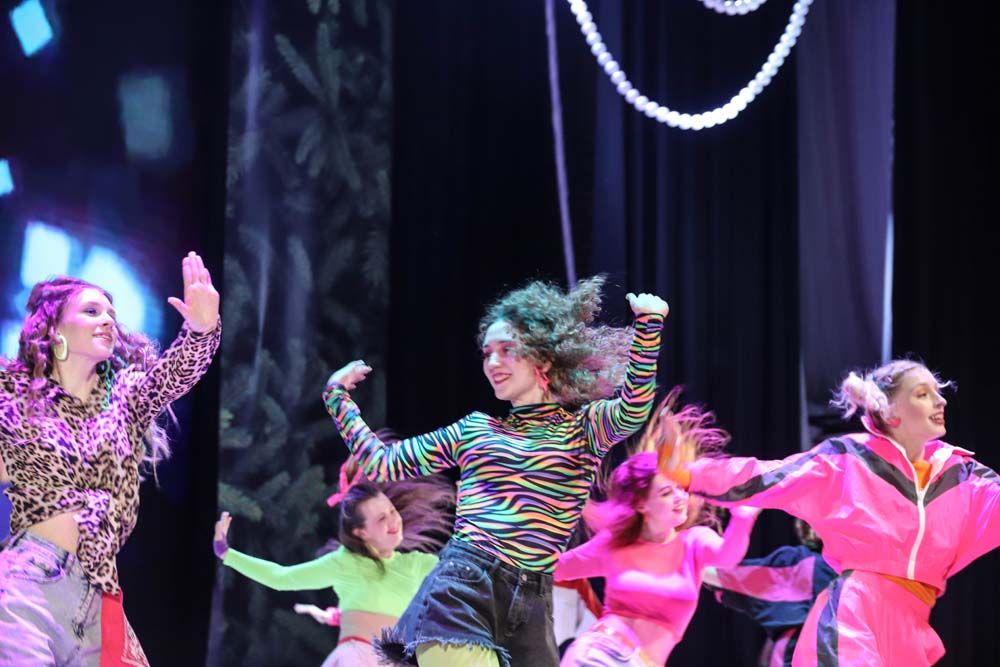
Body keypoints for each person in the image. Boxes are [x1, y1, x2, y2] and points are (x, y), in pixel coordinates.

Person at [324, 276, 667, 667]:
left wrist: (649, 325)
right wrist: (338, 398)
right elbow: (383, 462)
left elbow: (633, 409)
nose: (492, 363)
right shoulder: (475, 430)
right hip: (464, 586)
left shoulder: (583, 429)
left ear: (544, 358)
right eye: (487, 353)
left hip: (534, 602)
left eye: (507, 350)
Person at [659, 359, 1000, 666]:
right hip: (854, 619)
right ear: (891, 413)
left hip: (913, 627)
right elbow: (768, 476)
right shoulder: (848, 459)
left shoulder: (963, 476)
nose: (940, 401)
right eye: (923, 394)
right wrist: (689, 474)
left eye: (937, 392)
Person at [0, 252, 221, 666]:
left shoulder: (124, 397)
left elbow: (173, 376)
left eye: (111, 315)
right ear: (53, 326)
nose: (107, 320)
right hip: (30, 582)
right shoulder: (13, 392)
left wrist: (202, 328)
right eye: (91, 311)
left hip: (99, 596)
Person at [555, 396, 759, 667]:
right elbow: (553, 568)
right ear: (641, 504)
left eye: (681, 489)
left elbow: (727, 556)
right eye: (665, 492)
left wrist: (743, 519)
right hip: (599, 654)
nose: (680, 497)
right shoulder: (616, 544)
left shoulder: (693, 542)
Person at [214, 478, 440, 667]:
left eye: (392, 511)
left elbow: (459, 568)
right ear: (360, 532)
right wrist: (227, 554)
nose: (394, 520)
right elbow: (281, 577)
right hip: (357, 658)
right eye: (382, 518)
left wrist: (463, 508)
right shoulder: (345, 563)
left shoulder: (416, 564)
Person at [702, 518, 836, 667]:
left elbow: (734, 577)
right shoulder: (815, 565)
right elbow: (735, 577)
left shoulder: (808, 565)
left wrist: (689, 559)